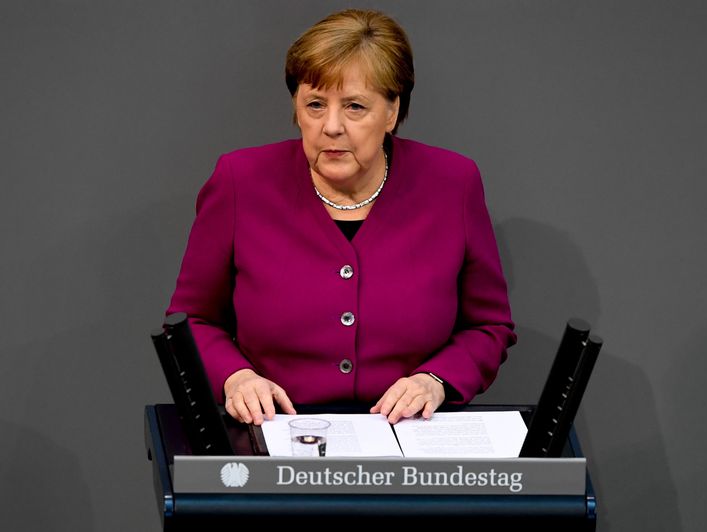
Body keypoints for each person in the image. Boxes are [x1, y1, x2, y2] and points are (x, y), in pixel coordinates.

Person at [166, 8, 516, 427]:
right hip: (278, 433)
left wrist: (435, 380)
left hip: (409, 440)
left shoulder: (453, 184)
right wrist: (235, 377)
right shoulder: (240, 181)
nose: (331, 126)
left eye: (354, 107)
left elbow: (489, 326)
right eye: (315, 104)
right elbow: (191, 321)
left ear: (391, 112)